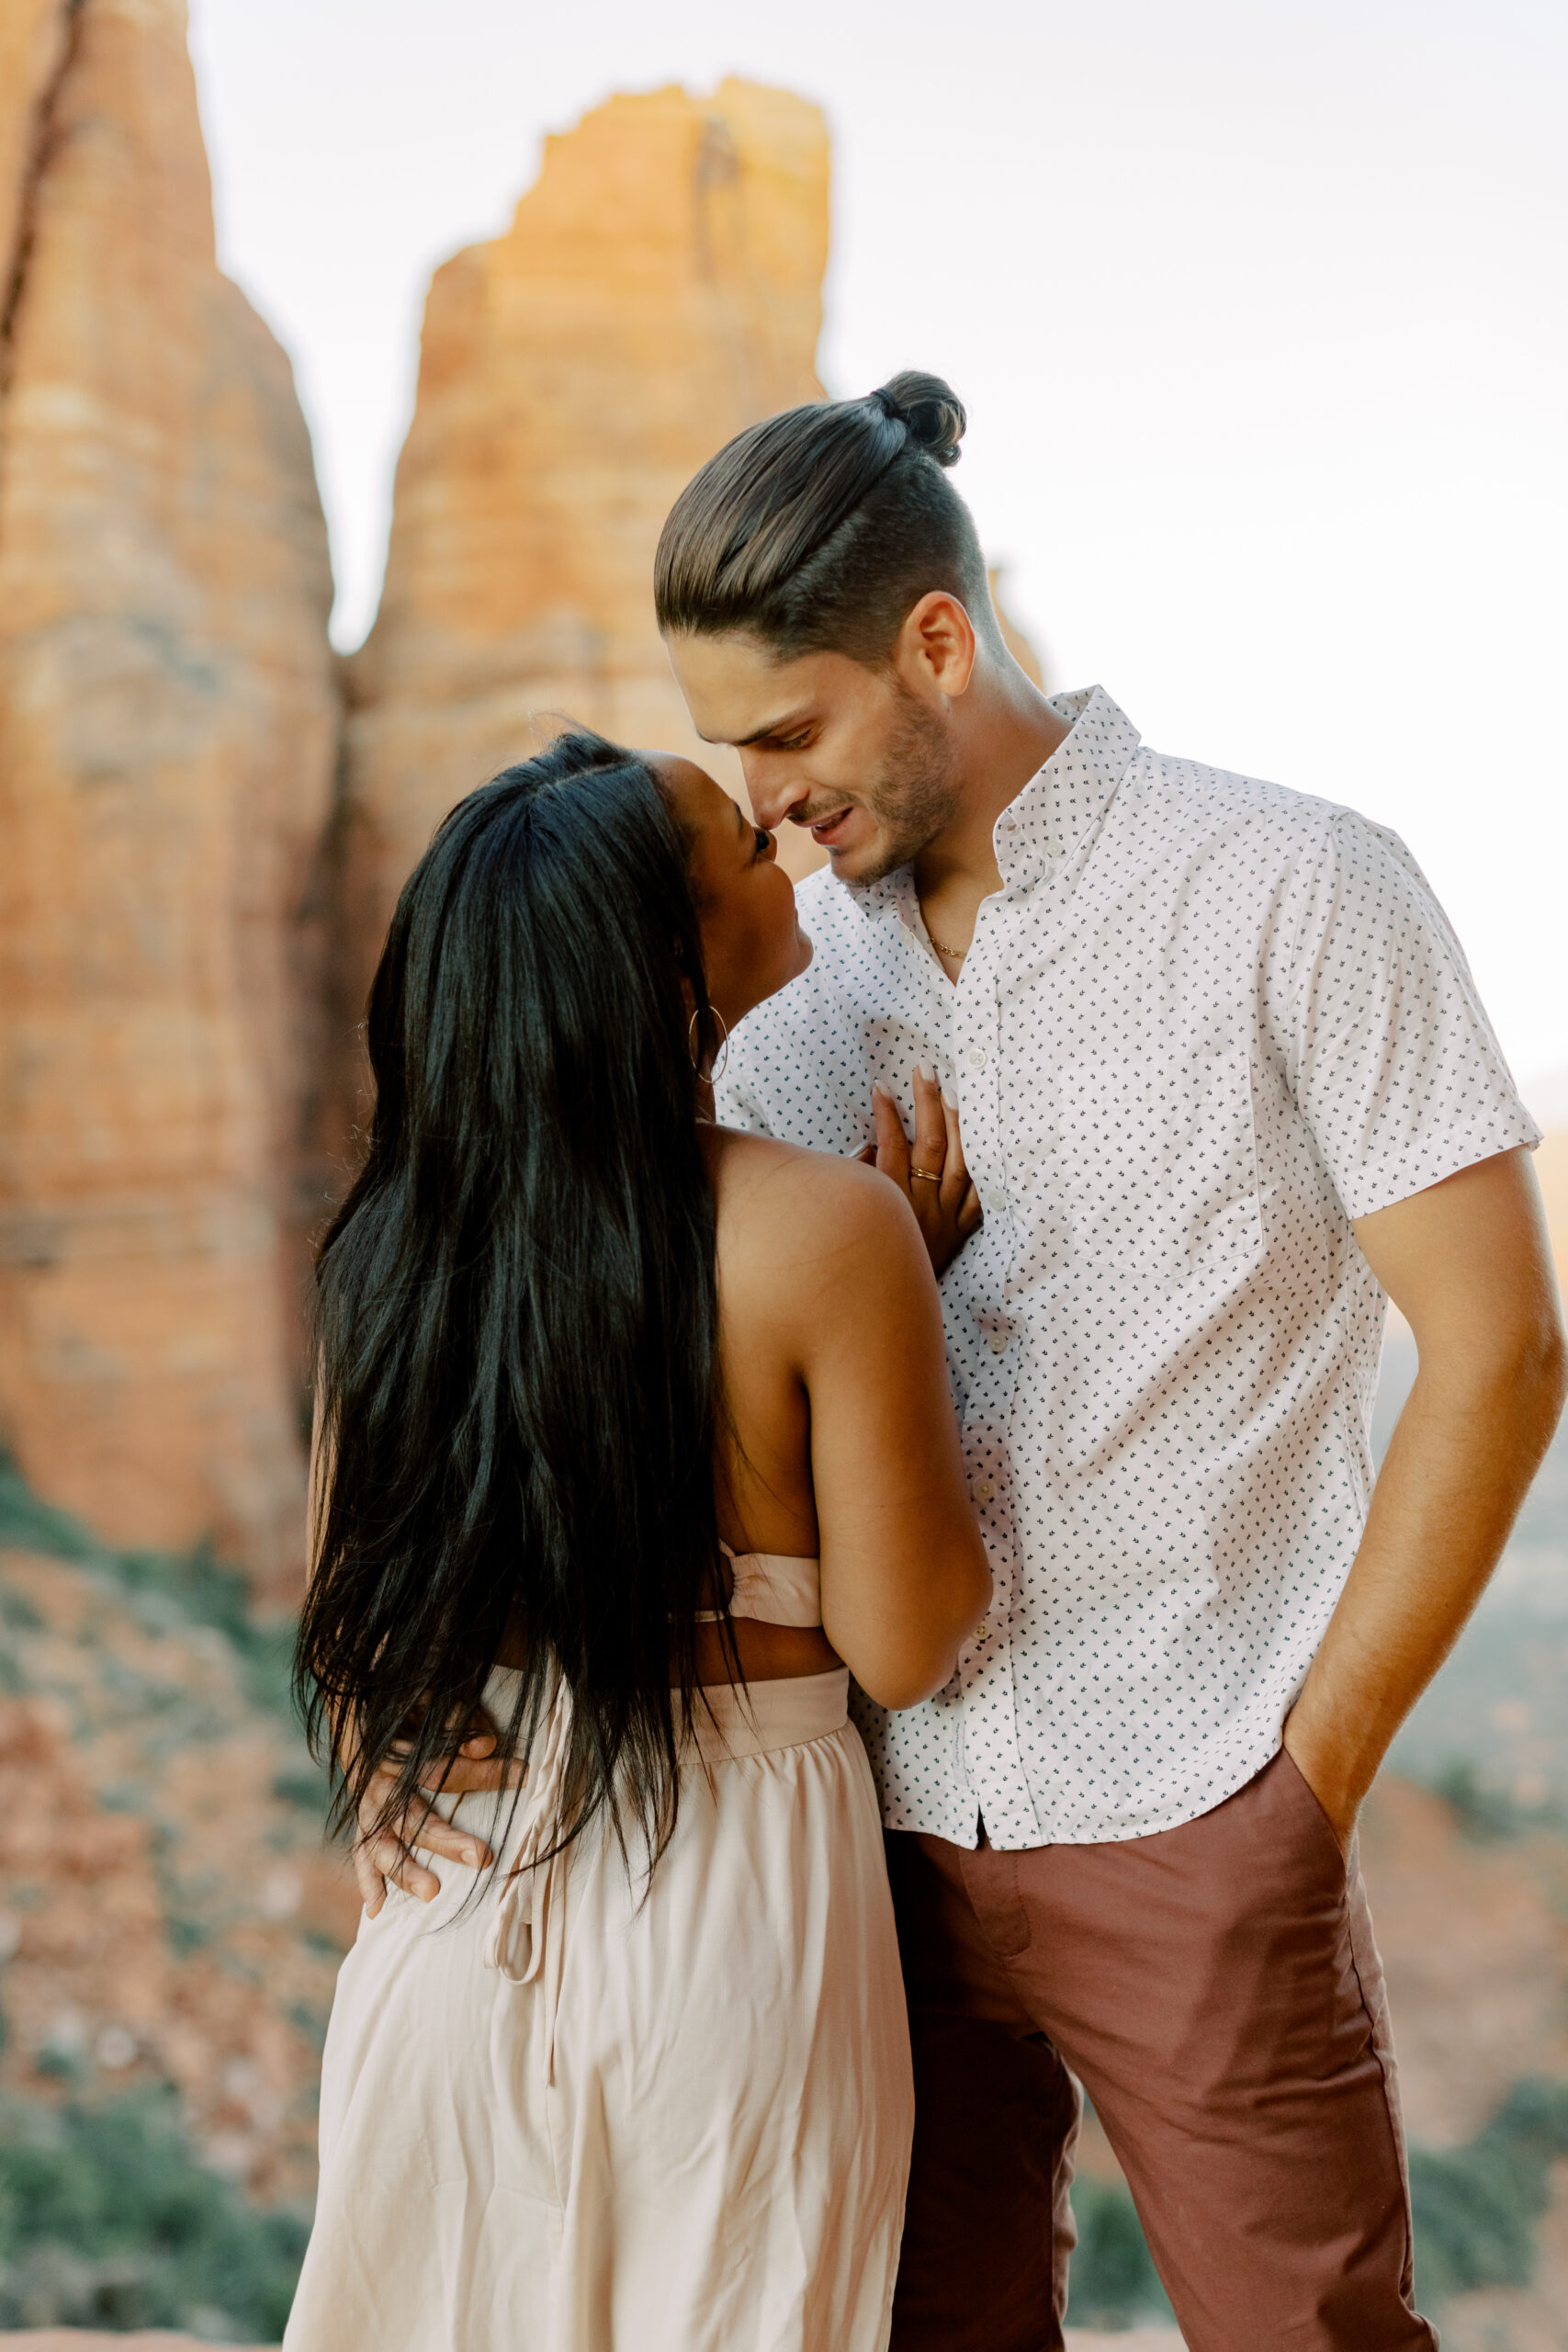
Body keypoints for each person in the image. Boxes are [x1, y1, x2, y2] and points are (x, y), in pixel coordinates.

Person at [645, 374, 1566, 2346]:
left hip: (1196, 1801)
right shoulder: (785, 1008)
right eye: (722, 752)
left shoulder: (1291, 883)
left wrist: (1297, 1780)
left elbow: (1496, 1344)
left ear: (936, 642)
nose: (758, 802)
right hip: (864, 1846)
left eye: (785, 731)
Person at [284, 728, 991, 2352]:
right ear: (664, 964)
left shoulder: (387, 1257)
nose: (777, 838)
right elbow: (910, 1638)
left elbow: (352, 1622)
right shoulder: (830, 1230)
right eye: (738, 848)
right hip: (733, 1922)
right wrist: (910, 1327)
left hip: (449, 1921)